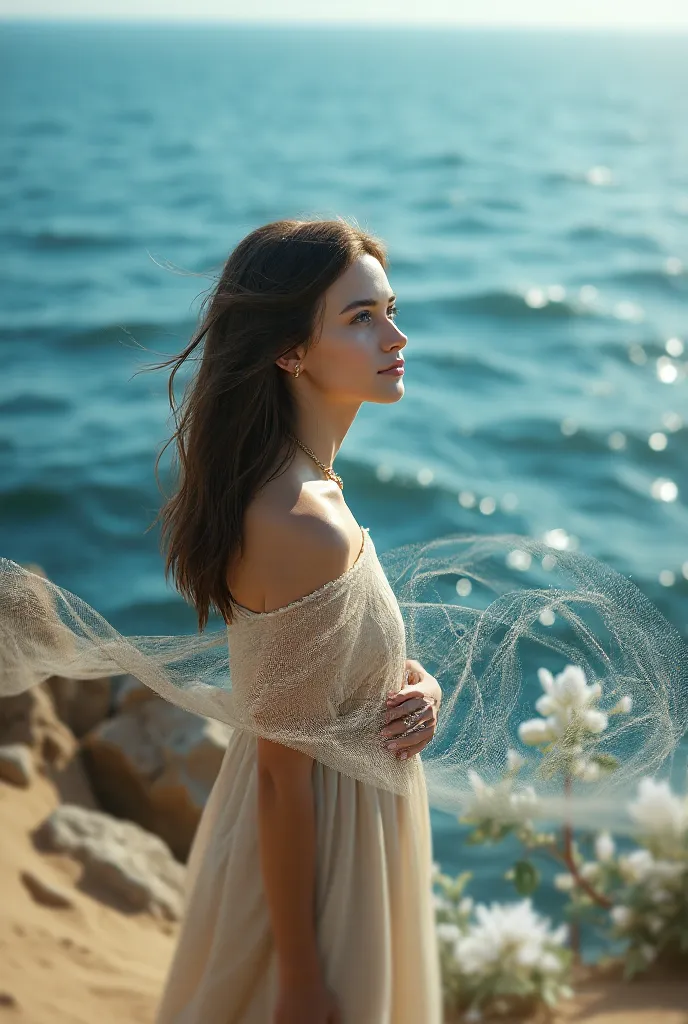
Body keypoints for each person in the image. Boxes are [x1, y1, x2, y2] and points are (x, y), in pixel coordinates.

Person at [148, 219, 444, 1023]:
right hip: (320, 864)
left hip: (350, 826)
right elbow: (283, 778)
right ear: (290, 351)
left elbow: (331, 676)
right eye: (360, 317)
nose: (395, 334)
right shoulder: (299, 522)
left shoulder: (309, 490)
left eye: (388, 307)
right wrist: (303, 978)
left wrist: (416, 685)